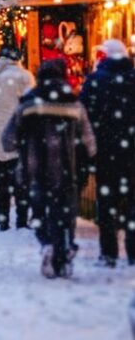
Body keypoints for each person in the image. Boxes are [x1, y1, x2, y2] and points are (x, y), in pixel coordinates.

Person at [2, 58, 96, 279]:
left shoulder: (27, 103)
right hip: (69, 170)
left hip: (34, 170)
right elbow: (90, 142)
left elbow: (8, 139)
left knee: (40, 211)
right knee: (66, 214)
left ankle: (46, 243)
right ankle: (65, 251)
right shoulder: (74, 103)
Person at [80, 38, 135, 267]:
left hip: (104, 151)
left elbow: (84, 118)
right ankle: (133, 251)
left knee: (107, 203)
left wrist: (88, 148)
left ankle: (109, 252)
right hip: (131, 150)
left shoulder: (94, 81)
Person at [0, 45, 34, 230]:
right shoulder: (23, 76)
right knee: (21, 179)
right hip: (18, 132)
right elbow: (30, 104)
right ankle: (21, 219)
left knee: (1, 177)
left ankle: (2, 216)